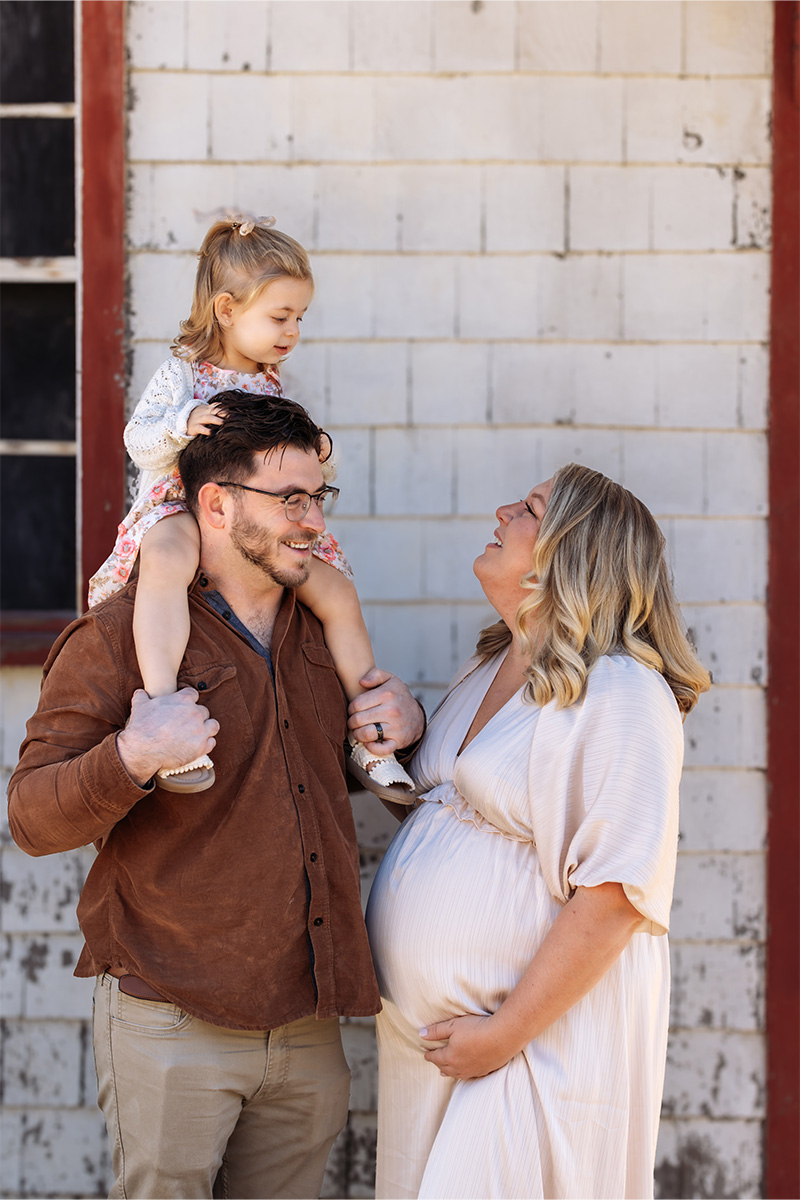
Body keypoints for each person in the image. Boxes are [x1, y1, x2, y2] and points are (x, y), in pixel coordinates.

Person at [8, 392, 426, 1200]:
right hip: (172, 1018)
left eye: (318, 497)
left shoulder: (325, 638)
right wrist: (134, 754)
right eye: (290, 499)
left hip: (308, 1024)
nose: (312, 520)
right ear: (217, 504)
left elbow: (370, 783)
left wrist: (407, 729)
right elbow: (30, 816)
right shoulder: (118, 637)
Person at [365, 462, 711, 1200]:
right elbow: (456, 820)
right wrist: (392, 739)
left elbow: (617, 892)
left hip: (533, 1048)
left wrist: (504, 1033)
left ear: (572, 550)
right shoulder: (491, 663)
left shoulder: (622, 691)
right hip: (443, 1048)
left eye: (528, 508)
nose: (500, 511)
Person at [89, 211, 414, 800]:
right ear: (227, 310)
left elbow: (299, 468)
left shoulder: (271, 386)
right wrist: (181, 424)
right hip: (183, 504)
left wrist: (320, 452)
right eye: (280, 316)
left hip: (257, 524)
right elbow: (138, 440)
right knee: (164, 561)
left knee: (337, 590)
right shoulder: (181, 375)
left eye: (300, 318)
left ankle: (367, 732)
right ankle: (164, 711)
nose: (292, 331)